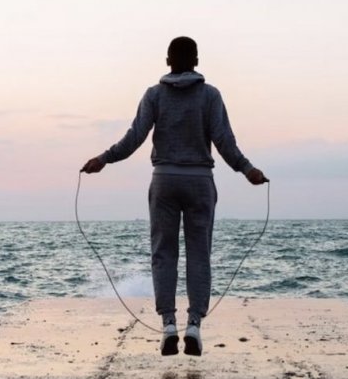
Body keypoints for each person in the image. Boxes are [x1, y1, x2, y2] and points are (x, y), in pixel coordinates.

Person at [82, 36, 268, 356]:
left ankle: (169, 324)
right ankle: (194, 325)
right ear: (196, 61)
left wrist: (103, 159)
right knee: (199, 255)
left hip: (164, 179)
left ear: (167, 61)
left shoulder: (154, 95)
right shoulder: (210, 95)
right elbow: (225, 142)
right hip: (200, 181)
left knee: (163, 253)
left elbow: (134, 138)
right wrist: (248, 169)